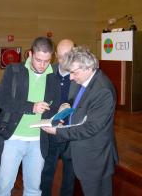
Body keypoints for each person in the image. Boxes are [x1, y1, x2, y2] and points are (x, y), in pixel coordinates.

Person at [41, 46, 118, 196]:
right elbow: (77, 101)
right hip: (80, 152)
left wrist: (57, 131)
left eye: (74, 72)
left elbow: (90, 128)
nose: (70, 77)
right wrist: (67, 104)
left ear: (88, 68)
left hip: (95, 158)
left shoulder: (103, 90)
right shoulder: (83, 80)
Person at [0, 37, 61, 196]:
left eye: (47, 61)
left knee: (33, 189)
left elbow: (55, 106)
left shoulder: (53, 76)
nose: (43, 66)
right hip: (13, 139)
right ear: (30, 54)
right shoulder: (14, 70)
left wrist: (57, 116)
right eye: (38, 60)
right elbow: (2, 100)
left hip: (38, 141)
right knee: (4, 185)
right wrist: (32, 106)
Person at [41, 39, 76, 196]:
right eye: (61, 57)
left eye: (68, 56)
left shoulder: (81, 74)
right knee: (46, 173)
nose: (64, 61)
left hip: (72, 133)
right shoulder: (47, 72)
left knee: (69, 176)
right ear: (55, 55)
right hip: (51, 132)